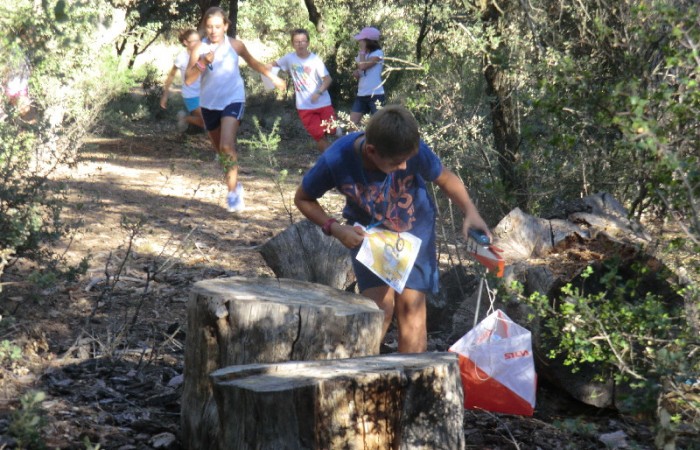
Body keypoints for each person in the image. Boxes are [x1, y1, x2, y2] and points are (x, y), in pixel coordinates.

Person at [294, 105, 491, 353]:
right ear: (371, 150)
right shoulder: (337, 159)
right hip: (369, 237)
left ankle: (411, 383)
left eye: (408, 160)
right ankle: (363, 375)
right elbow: (303, 198)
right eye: (397, 162)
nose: (404, 167)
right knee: (376, 311)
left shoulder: (409, 148)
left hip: (414, 232)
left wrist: (470, 212)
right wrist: (335, 228)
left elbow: (446, 178)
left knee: (412, 313)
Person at [185, 7, 285, 213]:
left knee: (227, 147)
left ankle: (233, 194)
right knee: (221, 153)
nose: (213, 31)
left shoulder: (236, 45)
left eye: (218, 27)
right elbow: (188, 79)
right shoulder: (198, 49)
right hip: (209, 104)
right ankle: (234, 184)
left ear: (226, 26)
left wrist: (273, 77)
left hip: (233, 99)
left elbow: (254, 63)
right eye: (209, 27)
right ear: (205, 27)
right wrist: (202, 63)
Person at [271, 29, 337, 152]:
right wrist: (272, 77)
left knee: (332, 131)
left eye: (303, 41)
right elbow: (272, 65)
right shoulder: (289, 58)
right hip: (304, 106)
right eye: (297, 42)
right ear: (292, 44)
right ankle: (331, 161)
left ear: (308, 43)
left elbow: (327, 79)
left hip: (323, 103)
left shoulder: (315, 60)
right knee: (319, 137)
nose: (300, 44)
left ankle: (338, 137)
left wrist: (319, 92)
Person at [160, 29, 205, 132]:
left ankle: (185, 119)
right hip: (191, 95)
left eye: (198, 40)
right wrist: (165, 95)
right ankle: (185, 119)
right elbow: (171, 75)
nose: (197, 44)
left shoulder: (203, 54)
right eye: (193, 41)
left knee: (210, 121)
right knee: (207, 121)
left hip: (204, 93)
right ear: (185, 42)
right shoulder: (181, 57)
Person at [350, 27, 386, 128]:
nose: (359, 42)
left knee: (379, 125)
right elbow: (361, 70)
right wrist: (357, 73)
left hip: (376, 94)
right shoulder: (362, 55)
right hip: (362, 94)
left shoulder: (378, 54)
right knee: (352, 124)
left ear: (368, 41)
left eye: (361, 40)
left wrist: (362, 51)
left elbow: (363, 66)